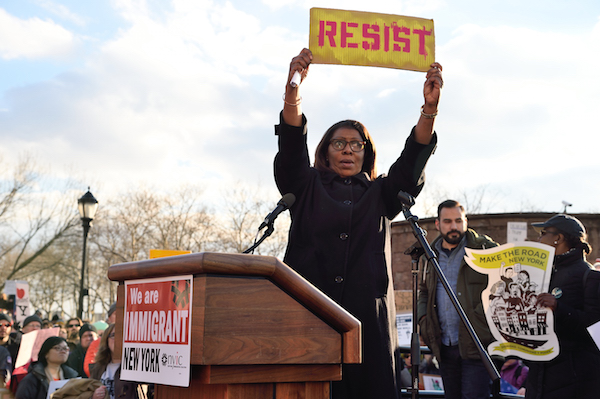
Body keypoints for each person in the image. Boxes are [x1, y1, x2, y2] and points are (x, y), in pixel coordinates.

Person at [274, 48, 442, 399]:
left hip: (368, 321)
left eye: (356, 144)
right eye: (339, 143)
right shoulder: (305, 185)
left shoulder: (381, 193)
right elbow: (290, 148)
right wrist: (293, 94)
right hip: (308, 315)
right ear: (325, 149)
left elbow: (411, 163)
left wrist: (429, 111)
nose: (348, 150)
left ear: (367, 152)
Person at [417, 200, 498, 399]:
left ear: (465, 221)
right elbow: (424, 291)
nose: (454, 226)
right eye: (447, 221)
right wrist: (423, 319)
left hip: (477, 346)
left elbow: (501, 286)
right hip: (444, 345)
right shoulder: (428, 254)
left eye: (458, 221)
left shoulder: (485, 249)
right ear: (437, 224)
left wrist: (480, 318)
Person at [525, 214, 600, 398]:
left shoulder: (588, 275)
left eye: (543, 233)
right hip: (539, 376)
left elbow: (594, 328)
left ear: (558, 238)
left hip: (573, 378)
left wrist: (559, 308)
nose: (539, 239)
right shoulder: (542, 275)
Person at [91, 324, 141, 399]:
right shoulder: (98, 367)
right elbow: (88, 391)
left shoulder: (136, 366)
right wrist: (93, 396)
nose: (118, 338)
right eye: (114, 335)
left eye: (122, 335)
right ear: (106, 340)